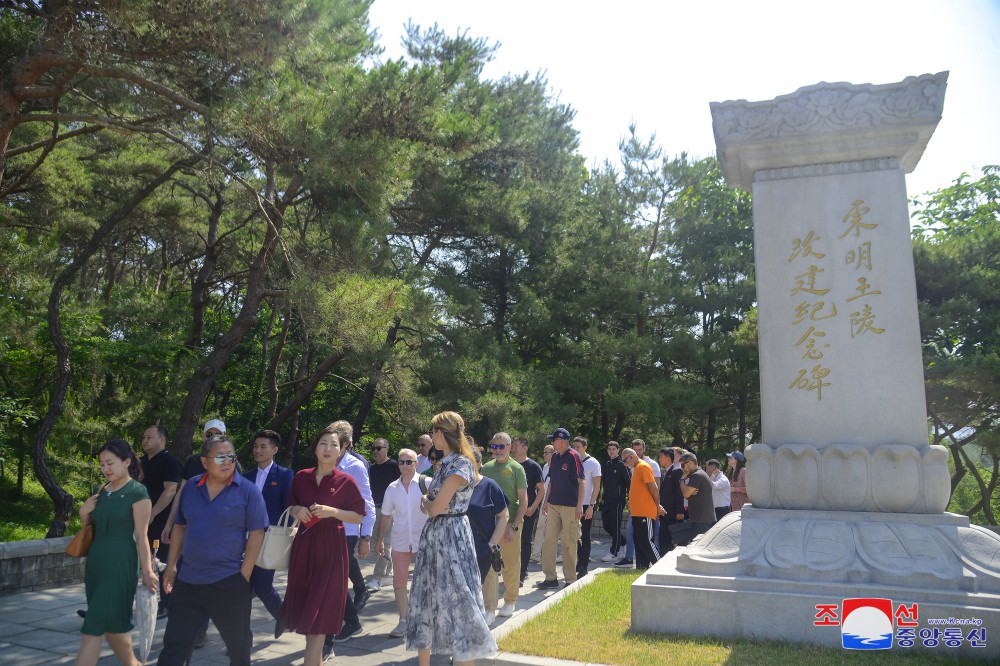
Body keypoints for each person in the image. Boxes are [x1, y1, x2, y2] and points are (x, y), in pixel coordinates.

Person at [157, 434, 269, 666]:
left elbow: (257, 534)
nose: (227, 462)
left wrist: (244, 576)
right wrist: (171, 566)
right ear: (205, 461)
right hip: (188, 582)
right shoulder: (191, 488)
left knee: (238, 651)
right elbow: (180, 526)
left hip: (228, 582)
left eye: (231, 456)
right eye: (220, 457)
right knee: (173, 649)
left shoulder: (247, 491)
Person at [405, 411, 497, 666]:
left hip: (452, 537)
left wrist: (426, 501)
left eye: (434, 430)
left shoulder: (461, 464)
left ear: (443, 433)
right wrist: (429, 503)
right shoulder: (446, 463)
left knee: (459, 602)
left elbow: (434, 507)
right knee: (426, 599)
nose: (432, 435)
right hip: (436, 536)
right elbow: (435, 506)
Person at [282, 427, 365, 666]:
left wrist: (332, 512)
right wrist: (297, 510)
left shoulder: (345, 481)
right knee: (306, 609)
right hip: (303, 547)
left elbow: (359, 515)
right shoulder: (301, 477)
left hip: (332, 549)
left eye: (334, 445)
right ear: (315, 448)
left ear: (341, 451)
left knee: (318, 613)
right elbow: (291, 505)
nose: (328, 449)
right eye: (323, 443)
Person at [75, 439, 157, 666]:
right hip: (96, 562)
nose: (105, 468)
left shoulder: (138, 492)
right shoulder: (99, 491)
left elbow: (142, 536)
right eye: (101, 464)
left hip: (121, 562)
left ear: (126, 462)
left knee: (91, 626)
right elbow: (91, 526)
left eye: (110, 463)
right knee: (113, 627)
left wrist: (147, 571)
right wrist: (83, 513)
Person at [160, 418, 229, 649]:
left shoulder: (230, 463)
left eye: (217, 434)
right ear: (202, 436)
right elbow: (180, 493)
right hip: (188, 528)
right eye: (208, 434)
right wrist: (170, 521)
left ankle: (202, 628)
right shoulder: (192, 462)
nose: (212, 438)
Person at [323, 420, 376, 655]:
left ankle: (337, 631)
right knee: (331, 580)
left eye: (334, 442)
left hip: (347, 530)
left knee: (333, 580)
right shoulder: (324, 462)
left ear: (345, 444)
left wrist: (366, 536)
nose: (328, 447)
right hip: (324, 528)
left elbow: (367, 502)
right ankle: (350, 621)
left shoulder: (355, 466)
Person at [243, 429, 294, 638]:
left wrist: (281, 535)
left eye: (263, 446)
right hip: (245, 541)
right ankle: (241, 637)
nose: (258, 450)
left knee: (263, 587)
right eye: (255, 446)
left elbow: (289, 508)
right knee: (242, 589)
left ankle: (282, 616)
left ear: (274, 449)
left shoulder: (284, 475)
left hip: (269, 541)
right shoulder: (246, 477)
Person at [374, 448, 428, 638]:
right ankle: (403, 620)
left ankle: (424, 619)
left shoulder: (426, 483)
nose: (404, 466)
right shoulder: (392, 488)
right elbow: (386, 516)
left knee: (426, 581)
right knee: (399, 581)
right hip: (401, 540)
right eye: (401, 462)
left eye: (409, 462)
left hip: (424, 540)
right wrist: (380, 540)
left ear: (416, 464)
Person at [479, 432, 525, 617]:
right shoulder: (486, 468)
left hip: (509, 523)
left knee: (510, 565)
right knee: (489, 566)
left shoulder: (516, 468)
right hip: (488, 525)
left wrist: (514, 527)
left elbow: (523, 501)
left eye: (501, 446)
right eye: (494, 446)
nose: (497, 450)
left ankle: (510, 600)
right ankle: (489, 606)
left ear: (509, 447)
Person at [139, 424, 181, 617]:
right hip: (137, 521)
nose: (145, 440)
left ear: (162, 440)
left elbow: (171, 490)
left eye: (149, 437)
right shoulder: (138, 463)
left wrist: (152, 513)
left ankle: (167, 603)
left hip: (161, 522)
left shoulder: (170, 462)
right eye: (144, 438)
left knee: (162, 562)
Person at [535, 427, 585, 589]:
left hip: (570, 506)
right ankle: (550, 577)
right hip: (554, 504)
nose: (552, 443)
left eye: (554, 440)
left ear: (562, 441)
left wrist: (580, 506)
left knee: (569, 542)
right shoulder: (555, 457)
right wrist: (545, 502)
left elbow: (581, 482)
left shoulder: (574, 456)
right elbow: (552, 481)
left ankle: (570, 579)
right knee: (549, 540)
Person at [469, 447, 510, 625]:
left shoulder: (490, 485)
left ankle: (489, 610)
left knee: (489, 580)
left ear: (479, 464)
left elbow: (503, 515)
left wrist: (493, 542)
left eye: (471, 462)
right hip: (462, 545)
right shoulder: (455, 486)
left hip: (485, 544)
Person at [615, 438, 660, 568]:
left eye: (625, 460)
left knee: (646, 541)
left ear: (632, 456)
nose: (624, 464)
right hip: (637, 513)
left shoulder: (643, 466)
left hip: (645, 512)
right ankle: (641, 568)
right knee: (639, 542)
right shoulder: (636, 468)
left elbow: (654, 488)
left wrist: (657, 506)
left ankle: (660, 566)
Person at [368, 437, 401, 589]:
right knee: (378, 543)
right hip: (374, 509)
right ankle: (387, 574)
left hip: (390, 510)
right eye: (373, 448)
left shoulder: (395, 466)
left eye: (378, 448)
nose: (375, 451)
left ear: (386, 449)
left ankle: (378, 577)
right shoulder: (371, 469)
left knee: (385, 543)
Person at [510, 436, 544, 584]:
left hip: (528, 510)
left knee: (525, 541)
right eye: (513, 445)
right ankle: (511, 571)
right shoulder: (509, 465)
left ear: (525, 448)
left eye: (516, 445)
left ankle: (522, 573)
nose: (513, 448)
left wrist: (533, 507)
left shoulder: (533, 466)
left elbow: (541, 490)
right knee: (510, 541)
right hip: (512, 510)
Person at [571, 436, 601, 578]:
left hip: (587, 503)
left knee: (585, 535)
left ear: (585, 447)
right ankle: (579, 560)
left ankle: (584, 565)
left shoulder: (593, 463)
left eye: (578, 447)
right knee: (574, 534)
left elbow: (596, 486)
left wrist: (591, 505)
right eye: (574, 446)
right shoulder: (572, 461)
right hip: (573, 503)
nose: (576, 449)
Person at [599, 441, 629, 563]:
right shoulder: (606, 464)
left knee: (616, 526)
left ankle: (614, 552)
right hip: (606, 500)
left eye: (613, 449)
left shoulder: (622, 465)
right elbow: (603, 483)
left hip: (617, 501)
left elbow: (629, 483)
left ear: (618, 450)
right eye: (609, 449)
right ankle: (623, 542)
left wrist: (628, 499)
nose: (611, 451)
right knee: (607, 525)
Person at [679, 452, 716, 540]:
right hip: (702, 519)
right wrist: (687, 490)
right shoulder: (700, 474)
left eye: (683, 466)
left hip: (701, 521)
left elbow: (685, 494)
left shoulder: (697, 475)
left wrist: (682, 480)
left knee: (700, 549)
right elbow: (687, 494)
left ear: (690, 463)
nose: (682, 469)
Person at [529, 444, 555, 564]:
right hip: (543, 502)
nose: (544, 455)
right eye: (543, 453)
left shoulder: (557, 466)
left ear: (553, 454)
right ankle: (535, 555)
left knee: (553, 531)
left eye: (547, 453)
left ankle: (550, 555)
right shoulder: (544, 467)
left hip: (553, 503)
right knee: (539, 528)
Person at [657, 447, 684, 555]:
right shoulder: (665, 472)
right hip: (664, 512)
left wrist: (680, 511)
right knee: (663, 538)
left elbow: (679, 492)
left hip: (672, 512)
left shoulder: (676, 471)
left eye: (661, 457)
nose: (659, 459)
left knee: (673, 538)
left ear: (668, 458)